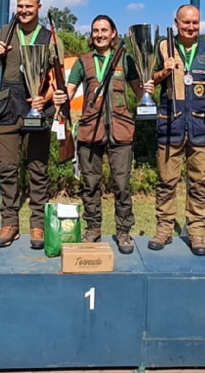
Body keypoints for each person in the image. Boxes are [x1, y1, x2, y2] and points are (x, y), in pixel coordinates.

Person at [53, 16, 144, 255]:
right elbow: (69, 90)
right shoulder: (83, 62)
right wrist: (61, 97)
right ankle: (93, 227)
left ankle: (124, 230)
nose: (100, 34)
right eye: (96, 30)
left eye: (104, 30)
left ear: (113, 33)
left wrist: (150, 88)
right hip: (90, 130)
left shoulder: (126, 59)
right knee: (90, 184)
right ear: (91, 34)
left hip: (121, 130)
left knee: (122, 184)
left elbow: (139, 91)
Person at [147, 5, 205, 256]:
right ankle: (164, 229)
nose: (191, 27)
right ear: (176, 22)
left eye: (195, 23)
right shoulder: (163, 47)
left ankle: (196, 232)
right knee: (166, 182)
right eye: (186, 22)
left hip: (201, 126)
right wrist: (165, 70)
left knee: (199, 184)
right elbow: (148, 78)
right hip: (170, 124)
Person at [0, 0, 56, 250]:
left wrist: (45, 99)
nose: (24, 10)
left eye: (29, 6)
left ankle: (37, 225)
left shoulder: (49, 37)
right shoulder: (7, 30)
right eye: (20, 5)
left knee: (38, 169)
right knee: (7, 168)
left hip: (35, 105)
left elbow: (54, 78)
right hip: (7, 105)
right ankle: (10, 223)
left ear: (38, 8)